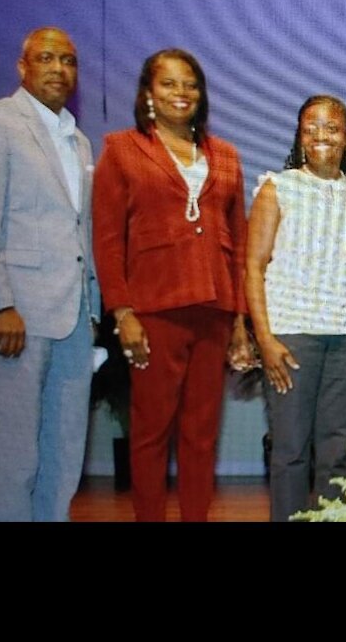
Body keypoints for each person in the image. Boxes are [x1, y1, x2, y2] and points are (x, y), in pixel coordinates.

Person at [92, 48, 252, 522]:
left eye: (190, 84)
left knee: (201, 435)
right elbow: (108, 239)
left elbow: (240, 242)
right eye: (168, 83)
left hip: (214, 311)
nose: (181, 93)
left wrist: (239, 320)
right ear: (148, 93)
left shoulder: (226, 156)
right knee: (150, 432)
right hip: (153, 310)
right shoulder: (122, 149)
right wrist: (122, 312)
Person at [0, 27, 99, 521]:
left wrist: (92, 311)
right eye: (46, 58)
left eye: (68, 61)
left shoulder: (78, 141)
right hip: (14, 318)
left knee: (63, 455)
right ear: (22, 67)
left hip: (72, 319)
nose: (59, 69)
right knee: (13, 455)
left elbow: (79, 230)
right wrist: (0, 304)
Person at [245, 95, 346, 521]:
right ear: (300, 137)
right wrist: (264, 340)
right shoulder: (276, 188)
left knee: (337, 454)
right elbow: (253, 266)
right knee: (290, 452)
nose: (321, 136)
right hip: (292, 337)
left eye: (332, 128)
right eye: (311, 128)